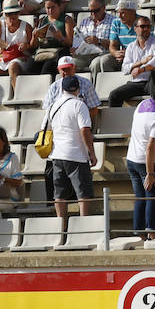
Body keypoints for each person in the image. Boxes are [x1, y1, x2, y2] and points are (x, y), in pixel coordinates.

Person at [127, 81, 155, 240]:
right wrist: (150, 172)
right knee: (151, 198)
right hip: (146, 162)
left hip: (131, 158)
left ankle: (138, 234)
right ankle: (151, 233)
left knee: (140, 198)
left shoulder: (142, 104)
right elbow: (150, 148)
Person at [49, 76, 97, 223]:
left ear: (62, 89)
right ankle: (83, 225)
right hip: (76, 154)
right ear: (77, 89)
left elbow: (47, 128)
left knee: (60, 194)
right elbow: (85, 130)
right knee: (83, 192)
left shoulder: (53, 105)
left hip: (57, 154)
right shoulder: (79, 105)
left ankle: (60, 227)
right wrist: (92, 152)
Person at [108, 16, 155, 107]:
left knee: (154, 77)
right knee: (114, 95)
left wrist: (140, 70)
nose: (146, 29)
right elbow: (125, 68)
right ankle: (116, 121)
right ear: (135, 29)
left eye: (148, 26)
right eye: (143, 26)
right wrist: (141, 62)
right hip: (137, 82)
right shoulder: (131, 46)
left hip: (153, 81)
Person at [0, 0, 34, 90]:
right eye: (9, 14)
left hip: (21, 59)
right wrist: (7, 46)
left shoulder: (27, 26)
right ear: (5, 15)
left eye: (15, 13)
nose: (13, 16)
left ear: (18, 13)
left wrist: (27, 46)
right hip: (4, 58)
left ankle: (17, 95)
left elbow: (33, 46)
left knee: (13, 66)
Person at [27, 0, 72, 76]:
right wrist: (35, 36)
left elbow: (70, 42)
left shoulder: (66, 20)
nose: (50, 11)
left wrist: (60, 37)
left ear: (59, 6)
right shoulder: (42, 20)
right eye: (48, 8)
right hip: (43, 51)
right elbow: (33, 45)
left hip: (59, 52)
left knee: (48, 67)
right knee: (30, 66)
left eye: (53, 7)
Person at [95, 0, 139, 73]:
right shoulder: (116, 22)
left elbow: (147, 47)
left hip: (139, 56)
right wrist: (116, 53)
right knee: (105, 60)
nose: (119, 16)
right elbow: (112, 45)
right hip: (123, 56)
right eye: (118, 12)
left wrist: (128, 54)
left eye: (123, 13)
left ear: (132, 12)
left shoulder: (142, 23)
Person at [69, 0, 111, 71]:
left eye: (96, 11)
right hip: (84, 55)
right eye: (90, 11)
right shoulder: (85, 22)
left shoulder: (113, 21)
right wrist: (75, 49)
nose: (93, 13)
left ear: (104, 8)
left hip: (103, 54)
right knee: (70, 64)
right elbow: (78, 40)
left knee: (96, 64)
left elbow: (115, 44)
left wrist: (99, 41)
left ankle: (96, 83)